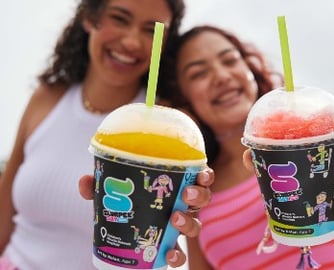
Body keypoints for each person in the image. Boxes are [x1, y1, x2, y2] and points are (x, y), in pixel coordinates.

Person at [0, 1, 213, 269]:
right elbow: (3, 215)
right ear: (90, 18)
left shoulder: (174, 131)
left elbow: (185, 232)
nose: (133, 42)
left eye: (151, 30)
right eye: (120, 18)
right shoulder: (48, 97)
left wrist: (189, 206)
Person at [166, 25, 334, 269]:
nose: (221, 76)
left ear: (250, 69)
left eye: (230, 60)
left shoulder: (310, 144)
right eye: (198, 74)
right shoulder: (197, 188)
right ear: (183, 97)